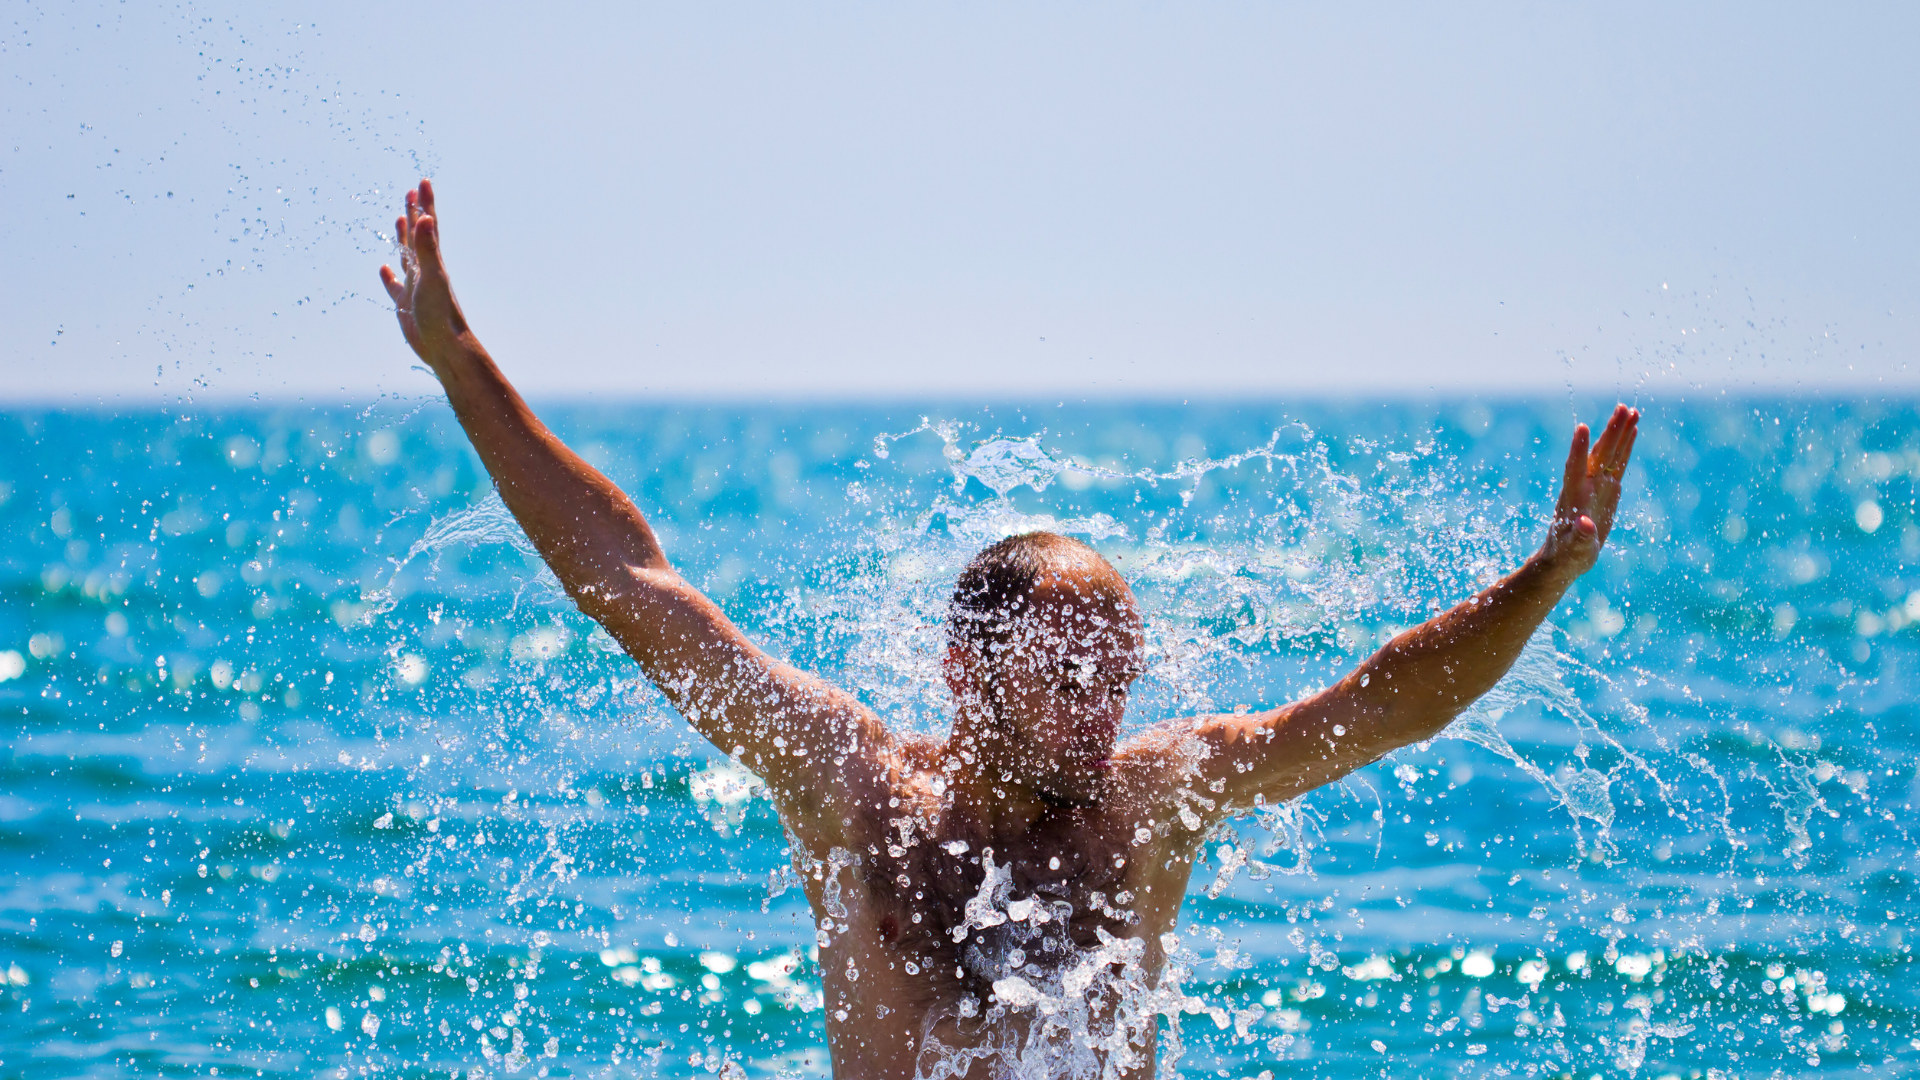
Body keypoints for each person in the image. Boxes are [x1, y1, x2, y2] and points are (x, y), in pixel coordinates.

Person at [380, 179, 1639, 1079]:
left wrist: (1543, 578)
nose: (1106, 705)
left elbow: (1382, 705)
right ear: (964, 674)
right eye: (1069, 673)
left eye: (1120, 675)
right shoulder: (850, 787)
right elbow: (632, 588)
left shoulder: (1153, 805)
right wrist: (459, 362)